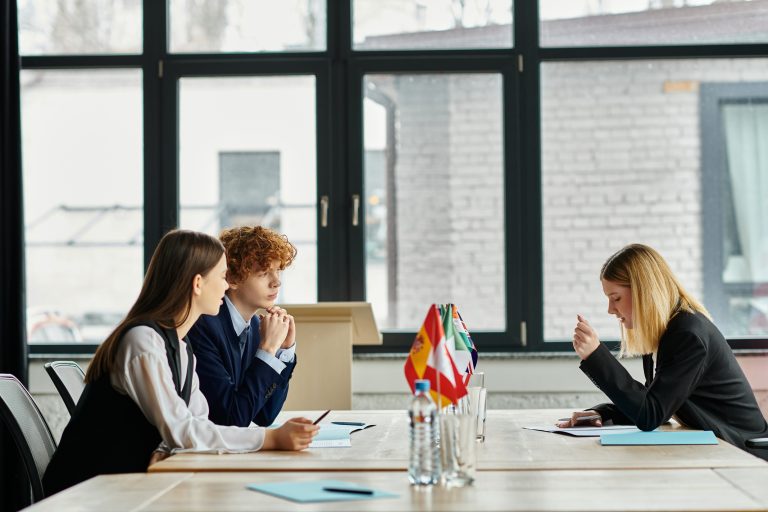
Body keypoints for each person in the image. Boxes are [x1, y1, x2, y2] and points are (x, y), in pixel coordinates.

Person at [42, 230, 319, 496]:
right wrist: (270, 440)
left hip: (123, 486)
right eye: (223, 276)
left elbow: (196, 424)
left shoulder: (180, 345)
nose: (226, 286)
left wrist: (168, 446)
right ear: (198, 284)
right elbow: (181, 431)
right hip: (88, 494)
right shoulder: (143, 341)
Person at [559, 243, 768, 460]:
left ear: (643, 291)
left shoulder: (687, 334)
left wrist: (596, 355)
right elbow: (656, 403)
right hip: (718, 450)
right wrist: (602, 412)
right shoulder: (666, 333)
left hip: (743, 453)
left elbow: (651, 415)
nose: (610, 309)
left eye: (616, 298)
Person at [187, 225, 297, 427]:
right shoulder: (203, 327)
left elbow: (265, 415)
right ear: (233, 278)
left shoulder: (255, 326)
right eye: (264, 273)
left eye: (277, 271)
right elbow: (231, 419)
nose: (276, 282)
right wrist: (267, 350)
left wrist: (283, 351)